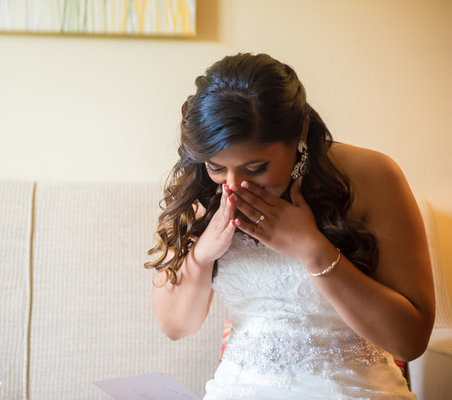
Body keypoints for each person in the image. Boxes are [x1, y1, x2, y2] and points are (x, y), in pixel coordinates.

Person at [145, 53, 435, 399]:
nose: (234, 185)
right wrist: (204, 252)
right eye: (217, 166)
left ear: (300, 132)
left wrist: (312, 251)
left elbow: (410, 341)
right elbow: (175, 327)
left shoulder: (372, 175)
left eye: (256, 168)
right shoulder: (203, 190)